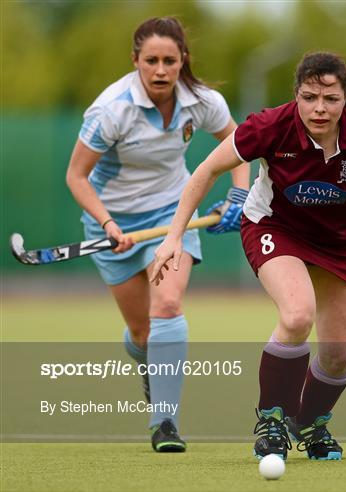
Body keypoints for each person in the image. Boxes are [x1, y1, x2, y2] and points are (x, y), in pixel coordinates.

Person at [150, 52, 346, 461]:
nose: (319, 108)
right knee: (297, 315)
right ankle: (272, 418)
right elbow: (205, 171)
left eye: (331, 99)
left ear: (345, 98)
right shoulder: (269, 127)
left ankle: (311, 423)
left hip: (339, 244)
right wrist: (173, 236)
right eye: (309, 97)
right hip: (275, 229)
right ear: (296, 96)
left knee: (338, 357)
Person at [65, 17, 249, 453]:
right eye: (152, 61)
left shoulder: (203, 102)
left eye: (170, 60)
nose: (161, 70)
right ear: (136, 62)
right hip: (113, 223)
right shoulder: (111, 110)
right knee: (143, 333)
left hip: (173, 213)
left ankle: (164, 422)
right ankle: (149, 361)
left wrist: (239, 194)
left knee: (167, 303)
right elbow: (76, 177)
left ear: (183, 59)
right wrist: (109, 225)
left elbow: (241, 145)